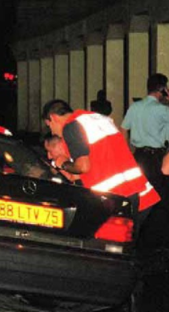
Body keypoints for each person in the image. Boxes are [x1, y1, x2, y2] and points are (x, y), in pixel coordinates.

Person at [42, 99, 160, 234]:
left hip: (113, 198)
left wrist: (63, 163)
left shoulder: (70, 126)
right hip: (137, 192)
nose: (52, 132)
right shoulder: (97, 119)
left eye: (48, 125)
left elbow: (83, 167)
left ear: (53, 117)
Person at [121, 73, 169, 205]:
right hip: (156, 157)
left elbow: (124, 128)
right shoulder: (163, 110)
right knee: (158, 194)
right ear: (162, 89)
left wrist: (128, 152)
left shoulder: (135, 107)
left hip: (139, 155)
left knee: (141, 193)